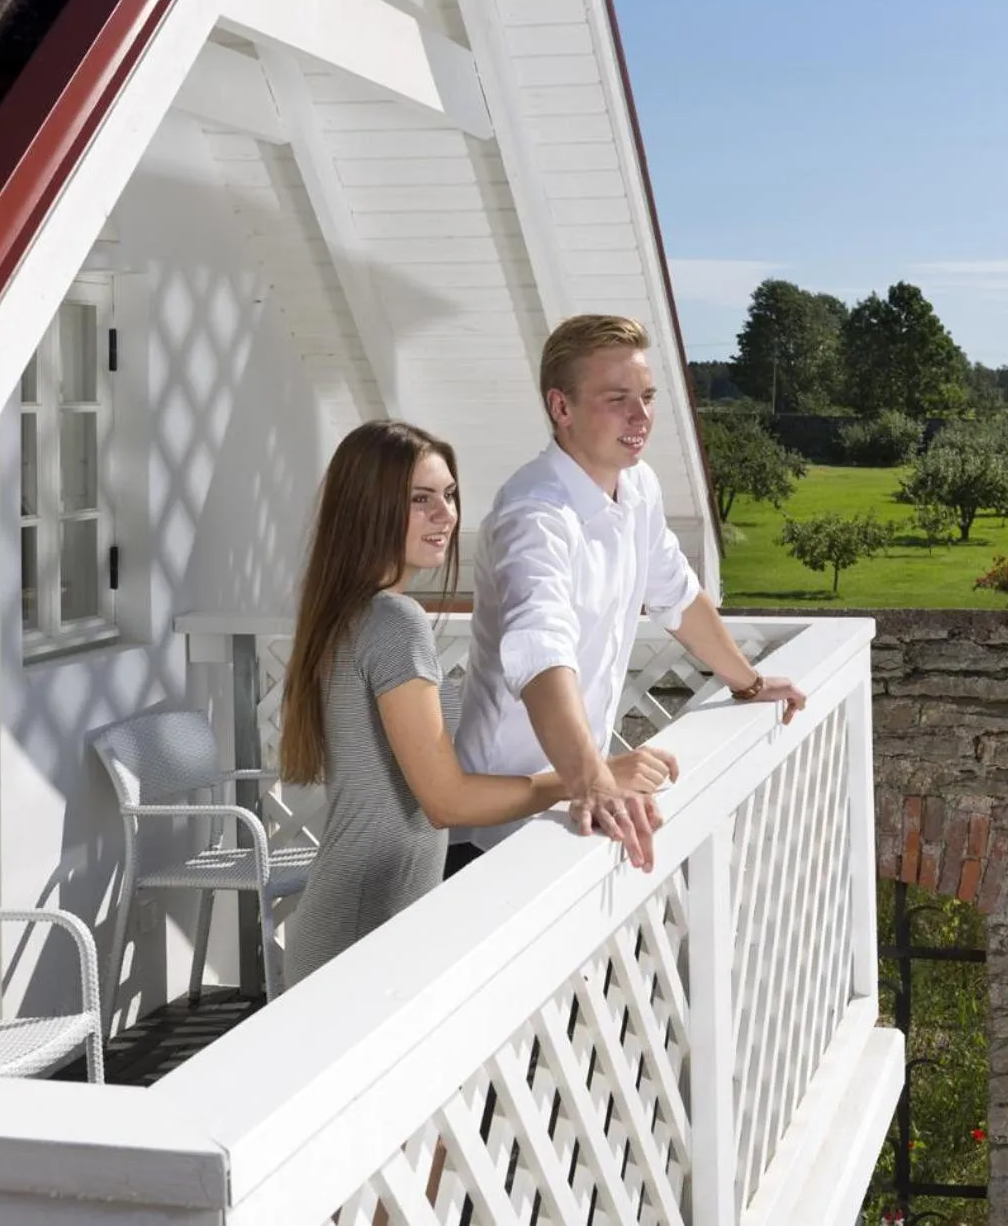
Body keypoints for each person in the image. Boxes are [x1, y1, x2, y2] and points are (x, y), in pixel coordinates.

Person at [277, 420, 676, 984]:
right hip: (362, 929)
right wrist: (587, 776)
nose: (447, 515)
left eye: (449, 495)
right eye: (420, 500)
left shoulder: (351, 613)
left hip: (363, 917)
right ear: (367, 509)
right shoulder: (394, 622)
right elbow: (447, 802)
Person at [448, 315, 807, 878]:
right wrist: (594, 781)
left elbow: (678, 597)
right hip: (494, 833)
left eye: (646, 397)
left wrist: (749, 682)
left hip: (576, 799)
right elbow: (540, 651)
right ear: (561, 408)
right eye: (618, 399)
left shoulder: (638, 487)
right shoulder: (533, 516)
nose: (641, 417)